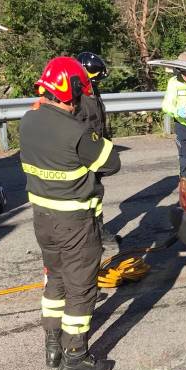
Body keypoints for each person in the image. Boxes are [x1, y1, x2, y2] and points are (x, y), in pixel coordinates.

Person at [20, 56, 121, 370]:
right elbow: (112, 163)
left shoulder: (27, 120)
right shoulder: (76, 133)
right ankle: (75, 355)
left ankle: (53, 345)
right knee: (81, 289)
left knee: (55, 279)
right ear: (73, 91)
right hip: (75, 223)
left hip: (43, 219)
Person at [75, 51, 115, 247]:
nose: (96, 84)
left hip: (96, 150)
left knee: (96, 193)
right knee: (84, 195)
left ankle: (98, 230)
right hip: (83, 154)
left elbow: (99, 120)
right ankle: (87, 236)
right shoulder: (77, 97)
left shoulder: (92, 92)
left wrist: (106, 143)